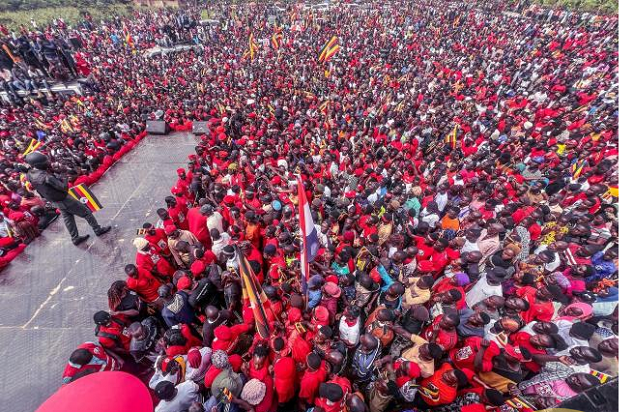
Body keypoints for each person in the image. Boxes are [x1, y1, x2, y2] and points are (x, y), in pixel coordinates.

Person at [25, 152, 110, 245]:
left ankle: (75, 238)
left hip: (54, 201)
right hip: (64, 199)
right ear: (39, 164)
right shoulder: (46, 177)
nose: (47, 162)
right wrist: (64, 174)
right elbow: (64, 188)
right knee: (86, 212)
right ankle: (97, 229)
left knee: (68, 218)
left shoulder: (29, 175)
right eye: (45, 162)